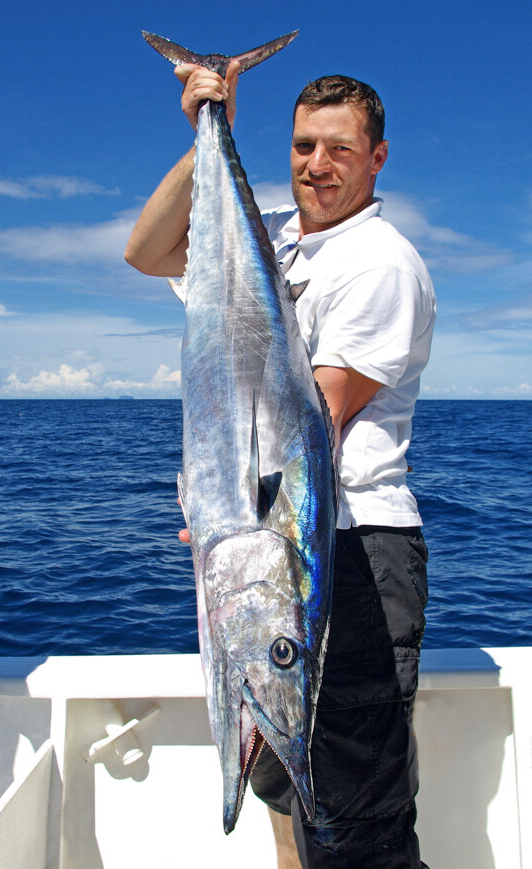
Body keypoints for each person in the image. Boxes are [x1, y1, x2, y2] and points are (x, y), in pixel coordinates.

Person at [125, 61, 435, 869]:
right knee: (280, 776)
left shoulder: (381, 263)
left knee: (357, 822)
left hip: (353, 551)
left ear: (378, 158)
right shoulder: (268, 237)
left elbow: (312, 425)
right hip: (261, 538)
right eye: (303, 145)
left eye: (340, 148)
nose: (316, 163)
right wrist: (207, 128)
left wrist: (228, 508)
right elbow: (146, 249)